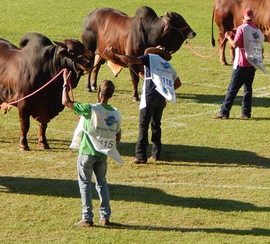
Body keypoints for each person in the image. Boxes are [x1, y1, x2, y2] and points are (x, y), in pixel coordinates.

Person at [62, 70, 123, 228]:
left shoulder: (90, 109)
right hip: (103, 155)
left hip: (87, 153)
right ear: (111, 94)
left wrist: (65, 84)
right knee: (102, 183)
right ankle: (105, 216)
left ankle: (87, 217)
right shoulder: (116, 114)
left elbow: (66, 102)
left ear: (98, 93)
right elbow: (117, 137)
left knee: (85, 184)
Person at [110, 46, 181, 164]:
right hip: (161, 98)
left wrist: (116, 53)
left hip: (149, 96)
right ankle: (156, 154)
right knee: (156, 125)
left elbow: (131, 60)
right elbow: (178, 83)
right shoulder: (167, 65)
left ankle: (141, 156)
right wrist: (166, 92)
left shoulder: (150, 58)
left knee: (143, 125)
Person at [213, 8, 265, 120]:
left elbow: (234, 45)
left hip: (242, 63)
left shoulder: (242, 29)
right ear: (253, 18)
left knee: (232, 88)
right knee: (248, 89)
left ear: (243, 18)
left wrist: (228, 37)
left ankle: (224, 112)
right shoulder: (258, 31)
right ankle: (246, 113)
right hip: (253, 63)